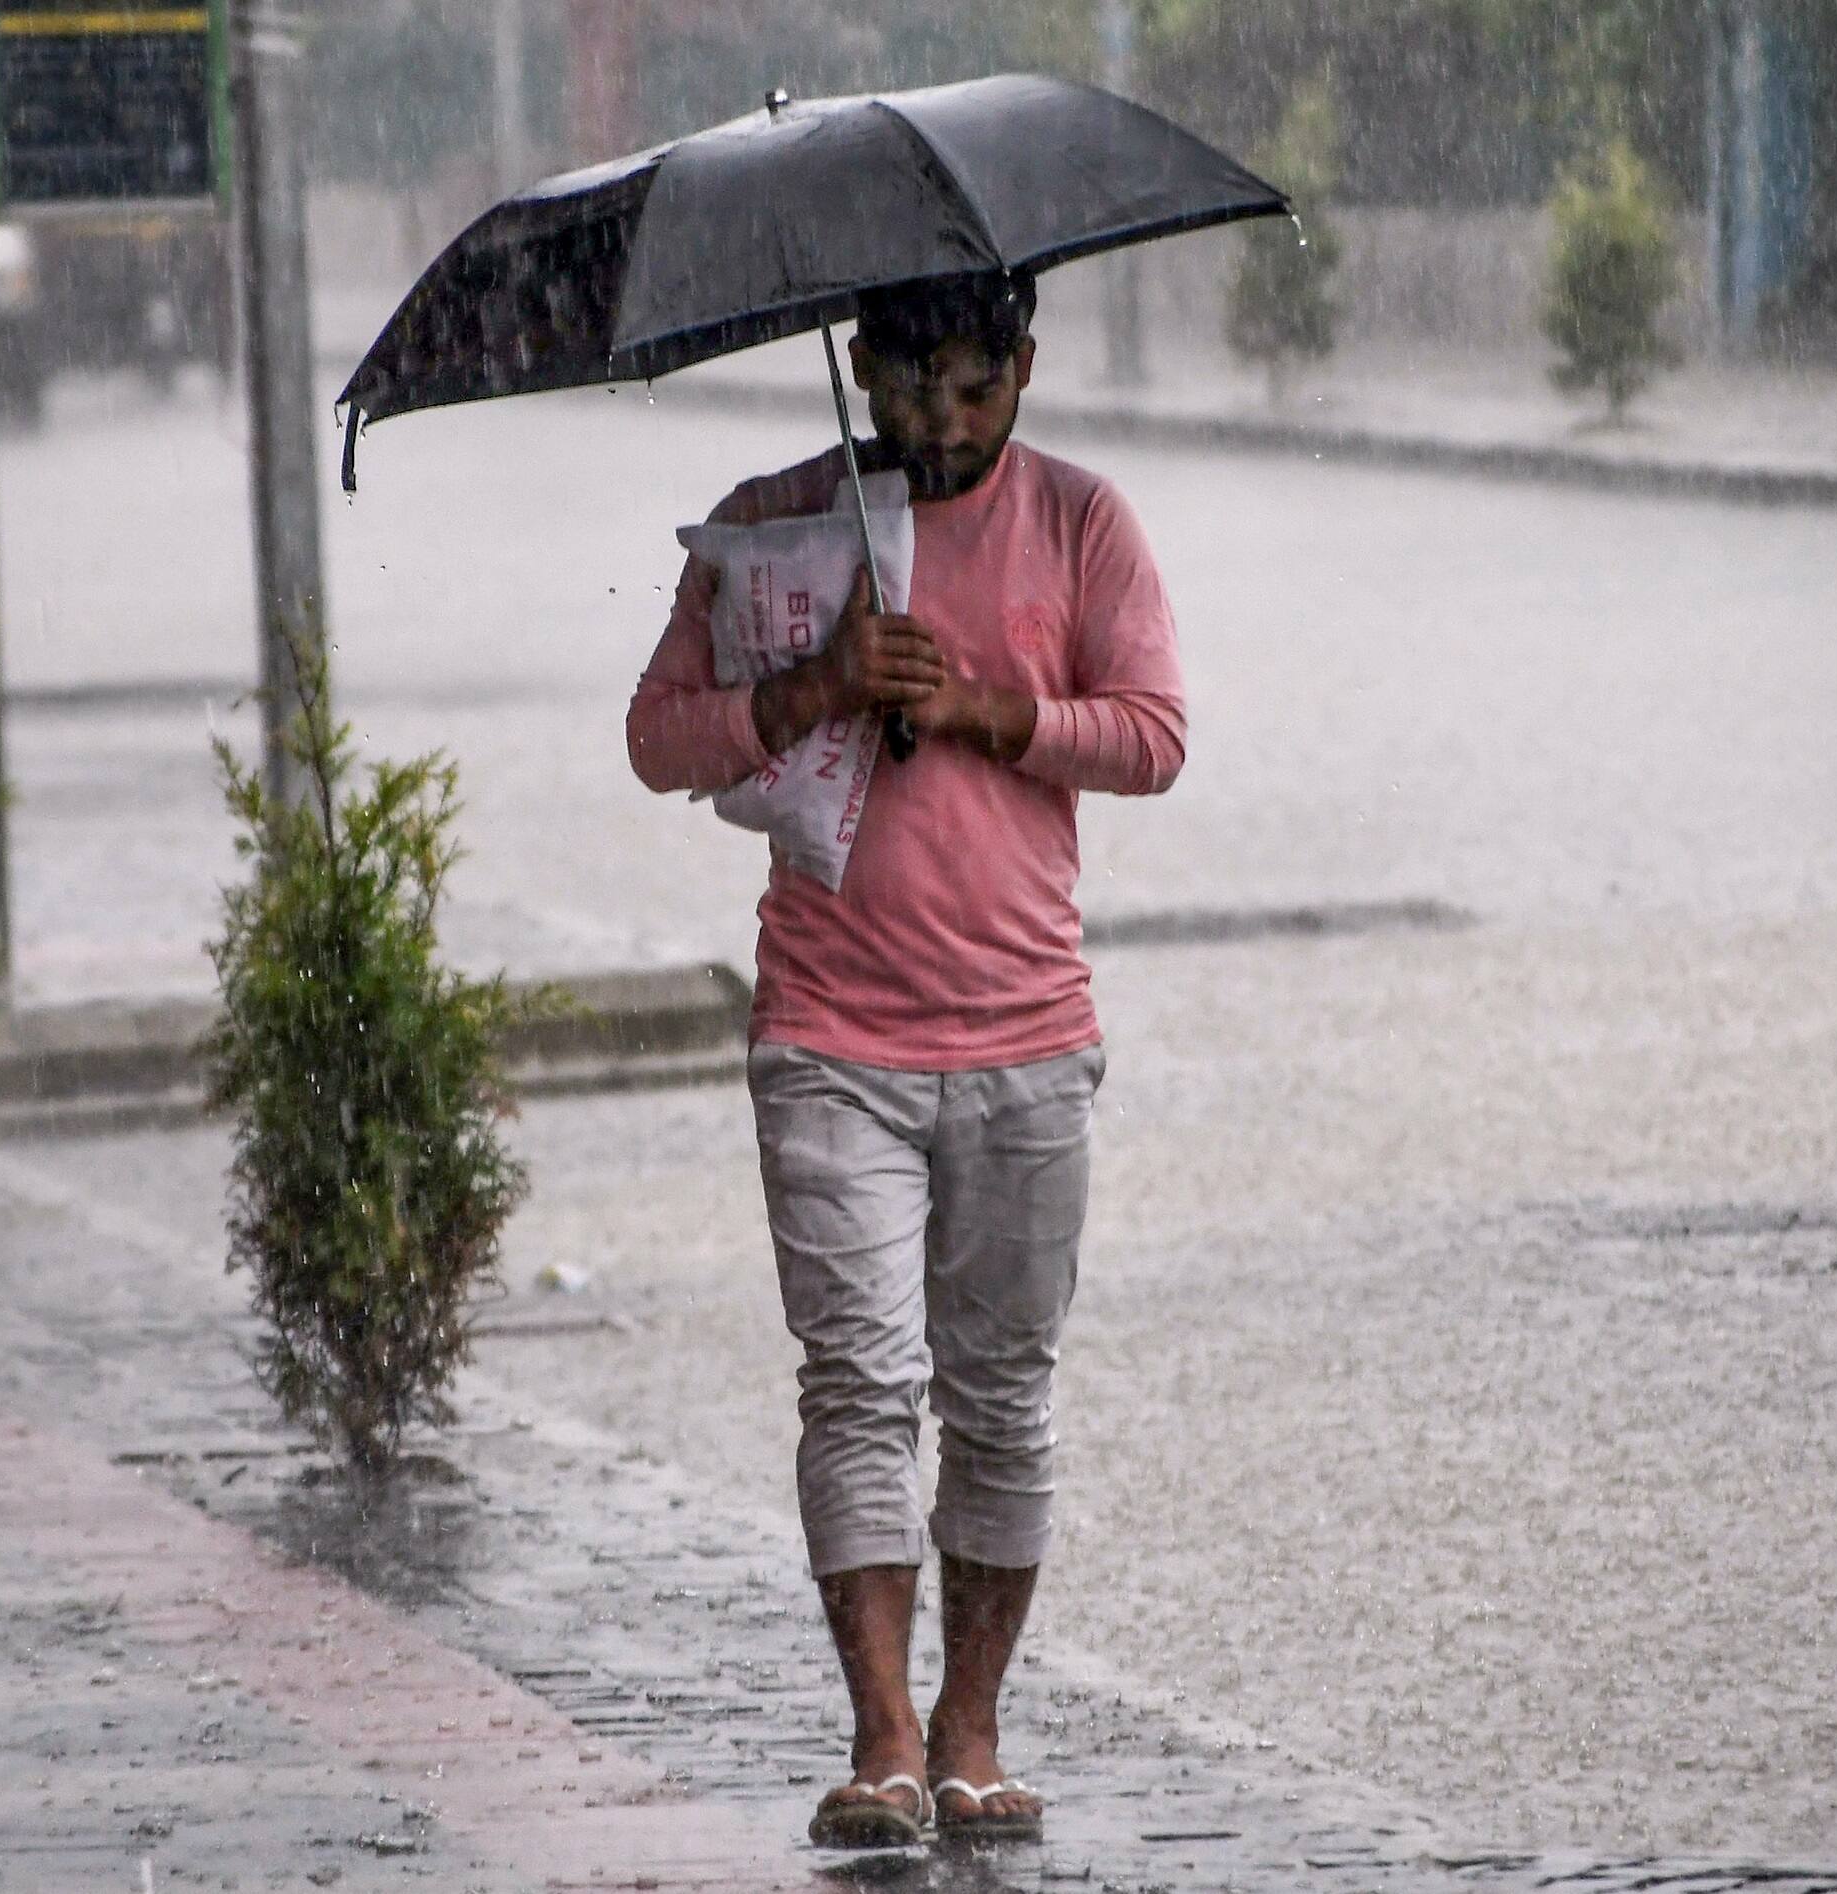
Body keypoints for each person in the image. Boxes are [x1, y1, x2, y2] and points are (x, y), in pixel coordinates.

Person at [624, 268, 1187, 1849]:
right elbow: (657, 737)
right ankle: (880, 1736)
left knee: (1000, 1398)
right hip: (830, 1035)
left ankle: (971, 1726)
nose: (937, 422)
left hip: (1026, 1036)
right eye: (905, 381)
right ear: (854, 361)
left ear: (1023, 365)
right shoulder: (774, 527)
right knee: (859, 1386)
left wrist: (996, 709)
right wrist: (814, 686)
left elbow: (1151, 731)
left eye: (972, 387)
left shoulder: (1083, 525)